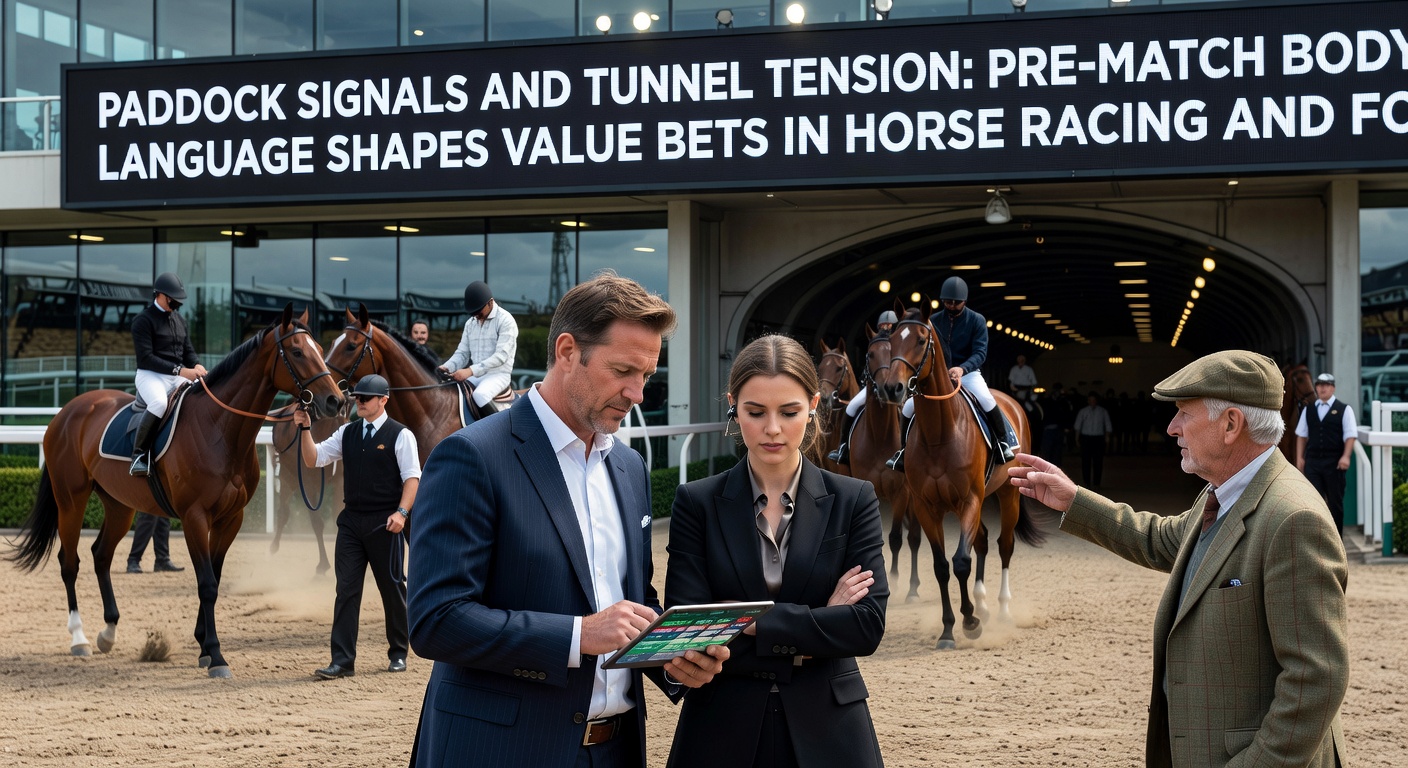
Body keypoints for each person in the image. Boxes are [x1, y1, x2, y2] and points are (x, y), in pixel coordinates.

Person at [407, 272, 727, 768]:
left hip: (617, 750)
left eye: (647, 375)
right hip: (501, 751)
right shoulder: (471, 456)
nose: (637, 393)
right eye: (623, 371)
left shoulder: (630, 467)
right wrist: (579, 636)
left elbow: (631, 604)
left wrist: (673, 660)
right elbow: (435, 621)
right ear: (567, 351)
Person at [1008, 350, 1349, 768]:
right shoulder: (1226, 491)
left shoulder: (1294, 520)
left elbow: (1317, 681)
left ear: (1230, 425)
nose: (1171, 428)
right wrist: (1074, 500)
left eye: (1184, 414)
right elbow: (1161, 538)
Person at [667, 334, 887, 768]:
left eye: (788, 412)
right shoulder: (695, 502)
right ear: (733, 405)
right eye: (755, 412)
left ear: (813, 404)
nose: (772, 429)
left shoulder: (855, 499)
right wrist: (821, 619)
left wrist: (747, 620)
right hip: (719, 728)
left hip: (831, 730)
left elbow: (865, 627)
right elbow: (690, 629)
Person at [293, 374, 421, 679]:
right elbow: (314, 459)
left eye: (365, 398)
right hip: (351, 521)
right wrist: (305, 429)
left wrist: (402, 513)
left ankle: (399, 652)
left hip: (385, 523)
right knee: (346, 590)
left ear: (383, 400)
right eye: (358, 397)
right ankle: (342, 661)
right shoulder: (346, 432)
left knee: (391, 588)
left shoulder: (401, 435)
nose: (359, 402)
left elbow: (412, 478)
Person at [887, 276, 1012, 470]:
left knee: (986, 398)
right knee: (908, 407)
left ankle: (1002, 443)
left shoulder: (976, 320)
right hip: (940, 374)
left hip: (967, 372)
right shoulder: (932, 320)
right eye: (947, 302)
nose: (952, 306)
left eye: (956, 303)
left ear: (965, 301)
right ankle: (903, 451)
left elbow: (980, 352)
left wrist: (963, 368)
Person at [129, 271, 207, 476]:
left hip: (175, 376)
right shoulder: (143, 321)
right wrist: (181, 370)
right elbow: (146, 358)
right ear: (160, 295)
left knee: (201, 396)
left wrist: (197, 366)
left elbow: (187, 350)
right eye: (174, 301)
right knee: (160, 404)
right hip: (149, 375)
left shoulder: (180, 320)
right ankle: (139, 455)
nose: (177, 305)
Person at [826, 310, 899, 466]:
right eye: (883, 326)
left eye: (889, 325)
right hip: (874, 385)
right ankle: (843, 448)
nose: (886, 328)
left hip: (898, 386)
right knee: (851, 407)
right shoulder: (876, 343)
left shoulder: (900, 343)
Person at [438, 281, 518, 417]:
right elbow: (462, 354)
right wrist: (446, 367)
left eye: (479, 312)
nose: (476, 316)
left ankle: (496, 429)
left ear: (490, 303)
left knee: (480, 395)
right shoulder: (471, 323)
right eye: (473, 313)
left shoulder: (506, 320)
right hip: (477, 376)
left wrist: (469, 371)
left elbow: (500, 356)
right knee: (453, 390)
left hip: (499, 375)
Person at [1295, 372, 1358, 533]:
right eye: (1319, 385)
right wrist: (1299, 458)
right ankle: (1316, 539)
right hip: (1313, 462)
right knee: (1313, 501)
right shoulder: (1308, 410)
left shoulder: (1344, 409)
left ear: (1333, 388)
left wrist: (1346, 456)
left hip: (1334, 462)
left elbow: (1350, 435)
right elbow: (1302, 435)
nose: (1322, 388)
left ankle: (1337, 541)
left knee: (1335, 503)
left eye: (1326, 385)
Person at [1072, 393, 1113, 487]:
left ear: (1096, 401)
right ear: (1088, 401)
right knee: (1085, 461)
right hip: (1086, 438)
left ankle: (1097, 483)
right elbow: (1078, 426)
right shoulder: (1083, 411)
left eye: (1094, 400)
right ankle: (1087, 482)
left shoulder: (1103, 411)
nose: (1092, 402)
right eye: (1090, 400)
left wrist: (1107, 437)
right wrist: (1077, 438)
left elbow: (1108, 425)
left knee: (1098, 461)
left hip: (1098, 439)